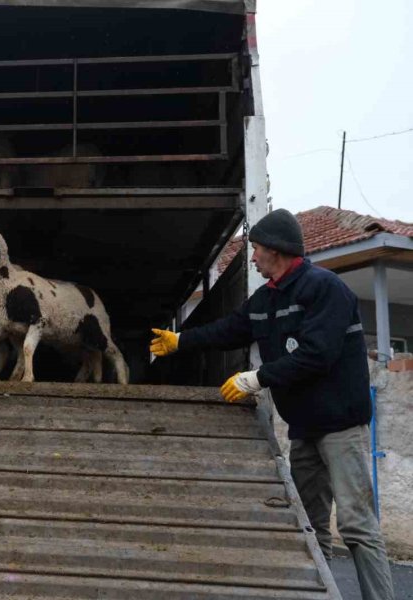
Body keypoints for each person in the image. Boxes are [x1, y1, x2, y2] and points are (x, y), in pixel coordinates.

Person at [149, 208, 394, 600]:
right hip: (303, 430)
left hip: (341, 428)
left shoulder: (324, 289)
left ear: (277, 251)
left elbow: (318, 354)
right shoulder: (265, 299)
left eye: (257, 249)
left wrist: (256, 378)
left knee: (356, 526)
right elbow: (231, 328)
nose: (253, 257)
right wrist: (182, 341)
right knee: (310, 527)